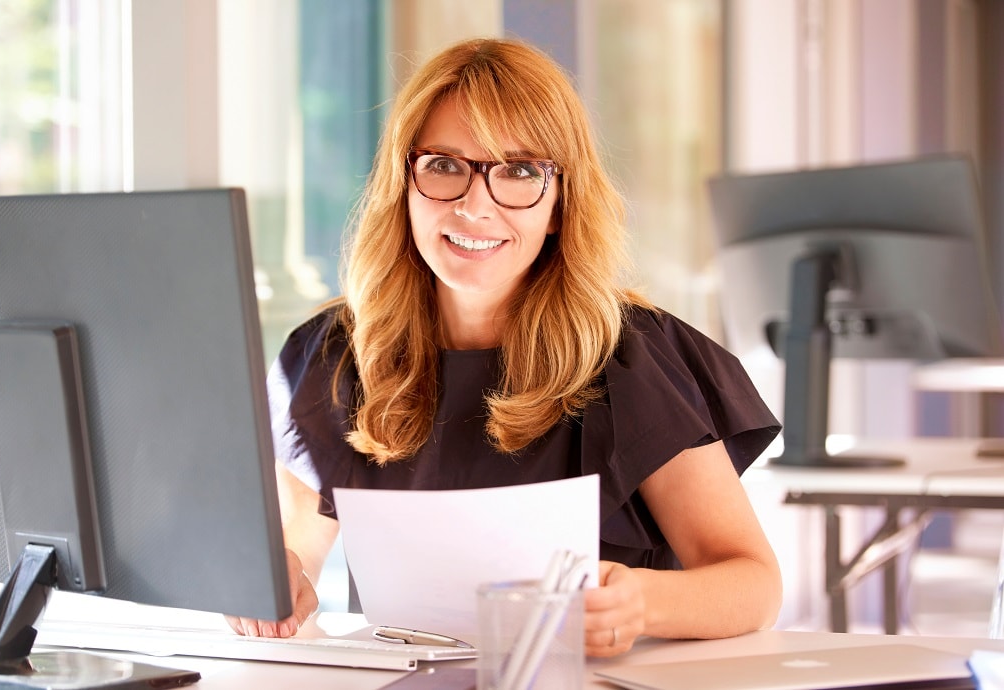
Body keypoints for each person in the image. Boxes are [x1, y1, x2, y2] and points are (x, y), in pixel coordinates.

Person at [226, 36, 783, 657]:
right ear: (402, 182)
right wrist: (279, 580)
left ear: (559, 202)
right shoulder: (335, 351)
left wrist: (641, 601)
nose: (474, 205)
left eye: (519, 172)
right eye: (443, 165)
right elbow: (298, 542)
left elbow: (754, 583)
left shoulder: (631, 356)